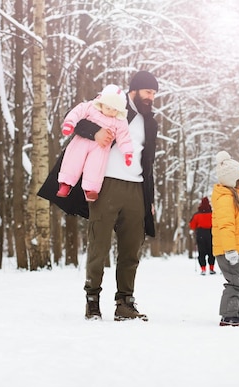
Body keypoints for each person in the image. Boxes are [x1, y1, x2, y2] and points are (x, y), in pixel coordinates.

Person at [72, 70, 159, 321]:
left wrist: (149, 199)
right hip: (106, 184)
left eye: (154, 93)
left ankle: (124, 303)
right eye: (147, 92)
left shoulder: (149, 121)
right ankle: (92, 300)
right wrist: (95, 133)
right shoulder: (112, 106)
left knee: (131, 249)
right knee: (99, 245)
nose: (151, 97)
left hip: (137, 189)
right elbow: (78, 120)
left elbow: (148, 163)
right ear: (134, 90)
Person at [56, 84, 134, 202]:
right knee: (73, 160)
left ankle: (91, 189)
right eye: (108, 108)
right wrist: (69, 124)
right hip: (81, 141)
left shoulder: (120, 121)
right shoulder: (91, 107)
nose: (111, 112)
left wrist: (127, 152)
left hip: (100, 148)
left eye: (115, 110)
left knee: (96, 166)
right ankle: (65, 183)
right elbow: (76, 112)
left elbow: (124, 136)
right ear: (101, 103)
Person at [211, 151, 239, 327]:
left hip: (238, 249)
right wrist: (230, 249)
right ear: (231, 180)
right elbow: (226, 226)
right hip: (227, 250)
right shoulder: (225, 199)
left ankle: (237, 312)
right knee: (235, 281)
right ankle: (229, 315)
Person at [189, 197, 216, 275]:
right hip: (211, 233)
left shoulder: (197, 215)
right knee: (211, 252)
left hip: (201, 234)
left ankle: (203, 269)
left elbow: (192, 225)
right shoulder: (213, 214)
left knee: (201, 252)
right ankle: (211, 268)